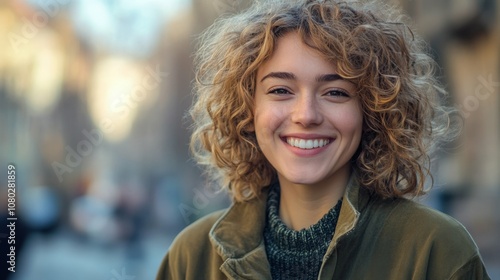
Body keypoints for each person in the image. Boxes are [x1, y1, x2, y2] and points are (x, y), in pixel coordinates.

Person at [156, 0, 491, 279]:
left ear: (373, 109)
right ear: (248, 109)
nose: (306, 115)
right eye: (281, 90)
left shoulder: (437, 252)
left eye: (335, 92)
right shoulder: (191, 258)